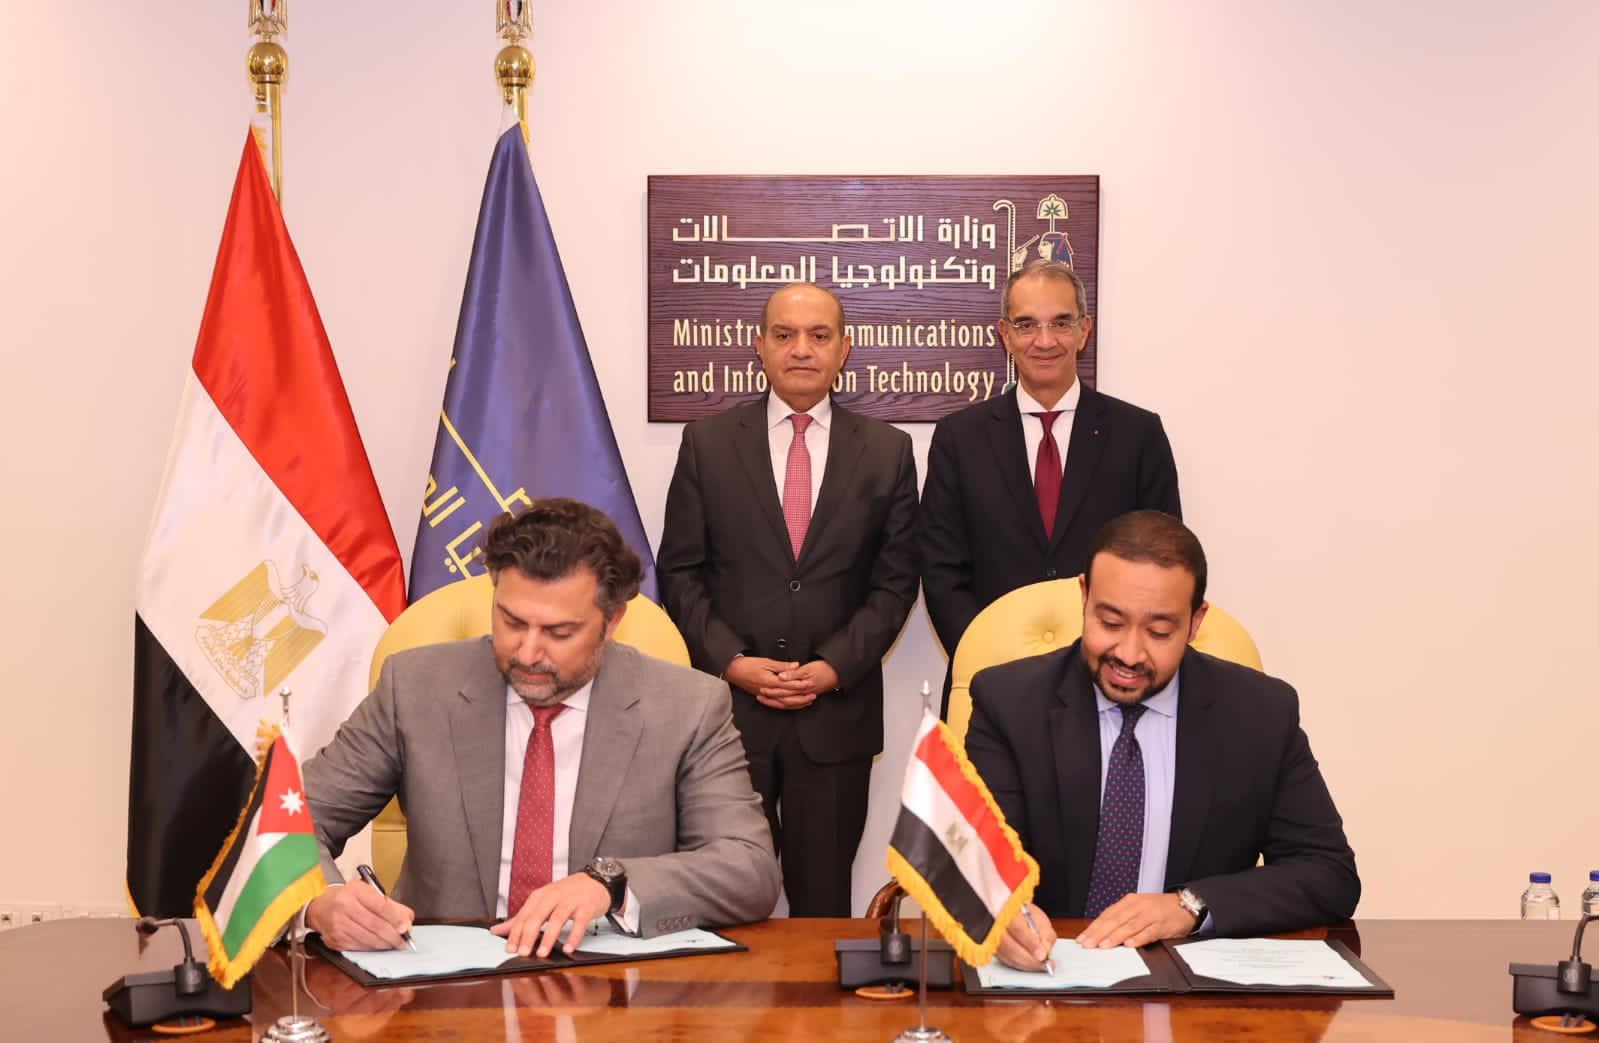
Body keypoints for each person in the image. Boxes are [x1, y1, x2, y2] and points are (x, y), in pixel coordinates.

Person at [301, 498, 780, 956]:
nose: (527, 653)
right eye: (511, 622)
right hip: (443, 985)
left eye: (559, 632)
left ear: (612, 621)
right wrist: (322, 901)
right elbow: (293, 823)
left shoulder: (687, 707)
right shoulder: (414, 687)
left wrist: (610, 886)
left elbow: (748, 868)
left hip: (611, 985)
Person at [965, 510, 1359, 970]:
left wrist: (1191, 906)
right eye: (1110, 622)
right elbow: (977, 862)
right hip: (1053, 976)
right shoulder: (1010, 703)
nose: (1130, 654)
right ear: (1085, 596)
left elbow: (1329, 874)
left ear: (1195, 622)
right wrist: (1003, 911)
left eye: (1158, 632)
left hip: (1189, 987)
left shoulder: (1260, 714)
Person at [658, 283, 919, 917]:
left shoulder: (888, 451)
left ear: (844, 349)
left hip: (836, 717)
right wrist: (732, 662)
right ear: (760, 346)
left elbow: (895, 583)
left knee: (824, 905)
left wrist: (834, 667)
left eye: (818, 336)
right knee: (723, 903)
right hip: (727, 719)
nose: (801, 349)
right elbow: (680, 572)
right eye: (784, 335)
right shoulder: (707, 443)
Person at [918, 260, 1181, 712]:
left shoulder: (1138, 435)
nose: (1044, 341)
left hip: (1112, 685)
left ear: (1084, 331)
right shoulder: (959, 438)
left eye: (1061, 323)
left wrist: (1111, 658)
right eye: (1026, 325)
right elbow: (941, 572)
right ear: (1005, 335)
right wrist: (992, 659)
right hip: (991, 687)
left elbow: (1163, 565)